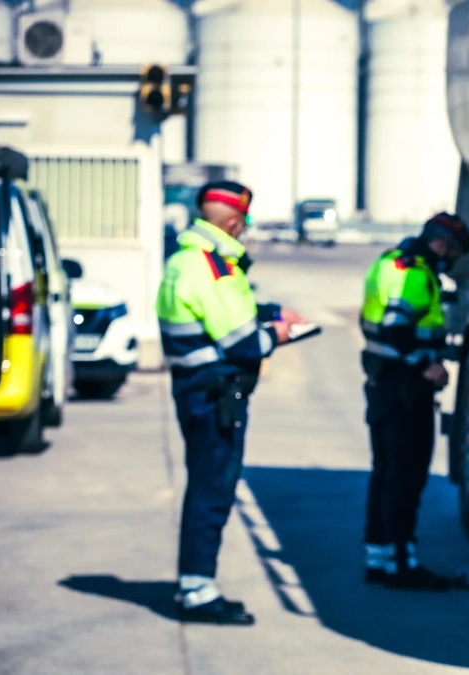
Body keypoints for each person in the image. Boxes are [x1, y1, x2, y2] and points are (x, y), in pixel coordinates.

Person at [156, 181, 304, 624]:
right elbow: (243, 343)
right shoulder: (215, 268)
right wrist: (277, 332)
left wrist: (270, 311)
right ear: (235, 223)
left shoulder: (185, 260)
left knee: (205, 484)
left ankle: (195, 584)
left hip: (194, 390)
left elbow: (223, 313)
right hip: (214, 395)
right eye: (247, 225)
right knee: (213, 489)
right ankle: (198, 590)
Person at [359, 212, 469, 590]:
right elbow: (396, 328)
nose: (451, 262)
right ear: (442, 245)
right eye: (453, 254)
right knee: (406, 477)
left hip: (382, 384)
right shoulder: (416, 274)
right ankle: (403, 565)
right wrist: (425, 365)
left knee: (385, 473)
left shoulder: (388, 262)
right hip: (406, 390)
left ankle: (378, 559)